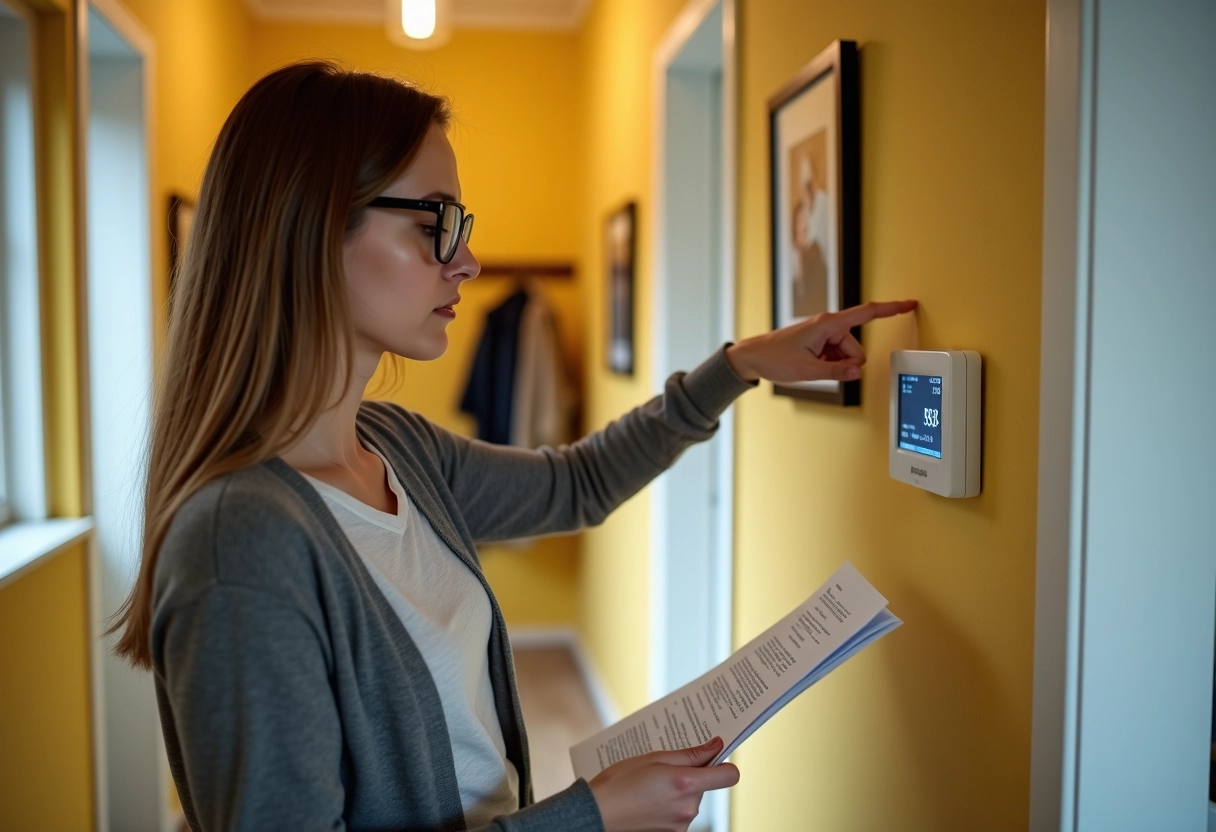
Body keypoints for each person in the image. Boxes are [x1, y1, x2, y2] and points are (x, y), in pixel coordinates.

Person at [110, 61, 916, 832]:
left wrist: (739, 367)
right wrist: (591, 816)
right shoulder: (241, 544)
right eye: (439, 222)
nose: (470, 261)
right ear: (314, 226)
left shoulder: (395, 450)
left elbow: (577, 483)